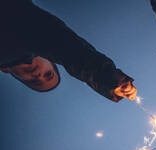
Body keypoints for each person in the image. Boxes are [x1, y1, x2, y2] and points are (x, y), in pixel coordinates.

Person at [0, 0, 136, 102]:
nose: (39, 75)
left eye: (35, 82)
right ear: (50, 59)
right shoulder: (30, 31)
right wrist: (106, 78)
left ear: (5, 70)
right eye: (48, 74)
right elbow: (66, 48)